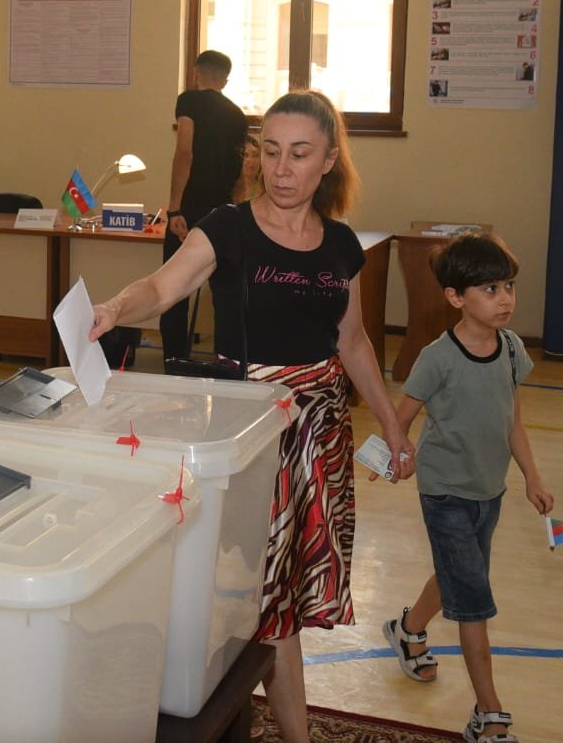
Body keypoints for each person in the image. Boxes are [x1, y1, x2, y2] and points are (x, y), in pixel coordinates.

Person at [88, 90, 414, 743]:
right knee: (260, 600)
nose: (283, 168)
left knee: (280, 601)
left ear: (327, 161)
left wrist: (394, 424)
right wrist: (117, 309)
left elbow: (352, 343)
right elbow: (163, 286)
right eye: (271, 152)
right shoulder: (228, 228)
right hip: (248, 437)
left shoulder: (343, 246)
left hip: (317, 438)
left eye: (299, 154)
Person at [378, 232, 551, 743]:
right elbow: (400, 420)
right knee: (474, 601)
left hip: (488, 491)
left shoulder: (512, 349)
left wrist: (532, 476)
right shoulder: (438, 357)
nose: (505, 299)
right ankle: (488, 714)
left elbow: (512, 420)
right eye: (490, 289)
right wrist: (395, 457)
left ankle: (408, 630)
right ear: (456, 297)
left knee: (456, 576)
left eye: (509, 286)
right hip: (446, 493)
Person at [161, 49, 248, 361]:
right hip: (224, 212)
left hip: (191, 208)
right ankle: (228, 361)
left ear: (196, 73)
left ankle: (174, 360)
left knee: (172, 291)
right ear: (225, 80)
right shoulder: (238, 115)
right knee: (225, 294)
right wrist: (241, 212)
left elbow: (185, 152)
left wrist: (174, 208)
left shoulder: (189, 101)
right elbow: (241, 172)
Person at [232, 129, 261, 202]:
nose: (250, 160)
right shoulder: (227, 190)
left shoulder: (267, 191)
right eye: (245, 155)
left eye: (255, 155)